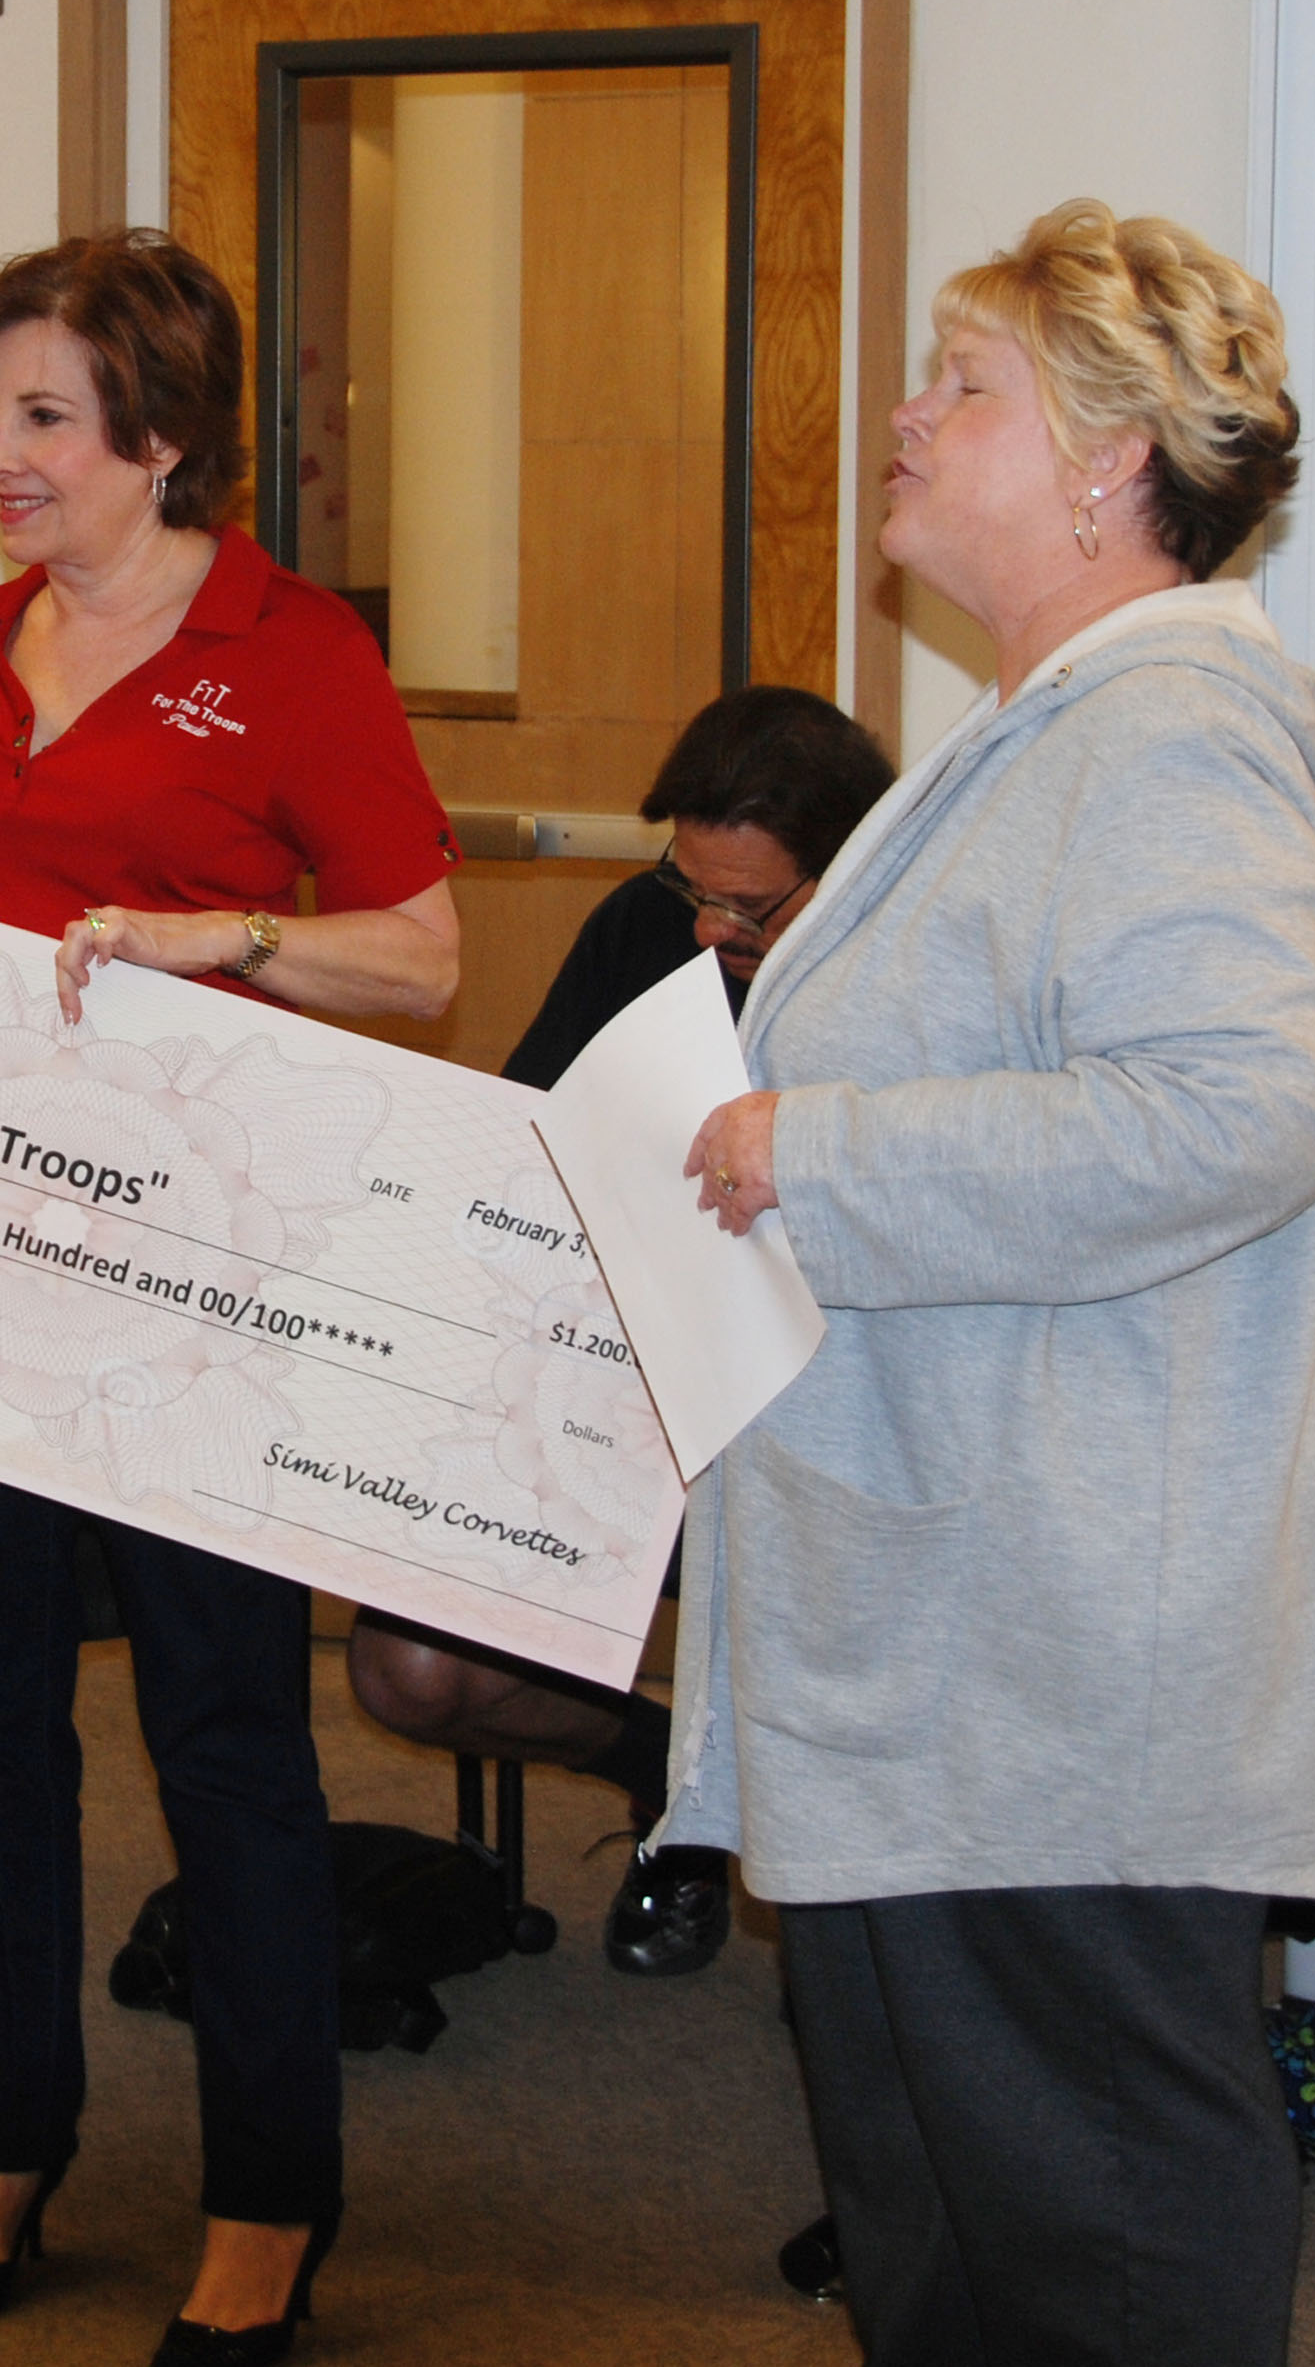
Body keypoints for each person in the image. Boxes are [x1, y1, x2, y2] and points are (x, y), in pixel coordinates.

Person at [679, 201, 1315, 2364]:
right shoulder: (1046, 728)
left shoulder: (1169, 735)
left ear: (1112, 462)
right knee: (952, 2214)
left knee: (1093, 2212)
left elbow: (1239, 1111)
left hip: (1068, 1641)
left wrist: (817, 1150)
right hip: (967, 1611)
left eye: (966, 384)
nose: (905, 416)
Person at [0, 231, 459, 2360]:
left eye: (45, 418)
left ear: (162, 439)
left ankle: (268, 2198)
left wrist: (233, 937)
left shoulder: (290, 650)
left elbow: (424, 956)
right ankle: (7, 2144)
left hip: (199, 1287)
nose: (0, 456)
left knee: (224, 1737)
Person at [342, 686, 892, 1977]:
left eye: (748, 909)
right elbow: (527, 1145)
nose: (707, 926)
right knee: (410, 1674)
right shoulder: (645, 927)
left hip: (827, 1420)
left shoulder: (908, 973)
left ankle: (806, 1879)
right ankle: (679, 1786)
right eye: (690, 883)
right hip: (619, 1388)